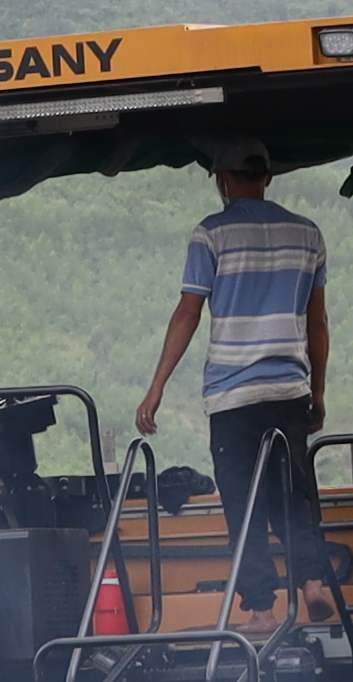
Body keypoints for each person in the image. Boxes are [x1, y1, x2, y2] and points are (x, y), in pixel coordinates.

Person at [134, 144, 331, 627]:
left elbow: (189, 312)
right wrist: (318, 392)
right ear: (268, 176)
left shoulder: (211, 234)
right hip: (289, 390)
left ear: (222, 179)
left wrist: (157, 386)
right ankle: (314, 582)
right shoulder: (306, 233)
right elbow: (317, 321)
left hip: (233, 394)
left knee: (244, 504)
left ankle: (261, 609)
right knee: (295, 497)